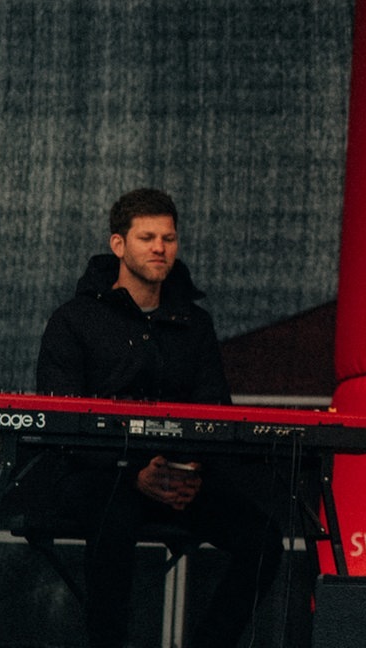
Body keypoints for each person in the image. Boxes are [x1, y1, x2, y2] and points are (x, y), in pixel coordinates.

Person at [35, 188, 283, 648]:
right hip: (101, 479)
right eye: (147, 237)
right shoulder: (74, 321)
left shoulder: (194, 323)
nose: (159, 248)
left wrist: (189, 469)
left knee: (264, 539)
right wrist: (131, 474)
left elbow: (214, 410)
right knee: (114, 518)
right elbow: (60, 420)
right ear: (118, 245)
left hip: (174, 478)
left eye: (168, 238)